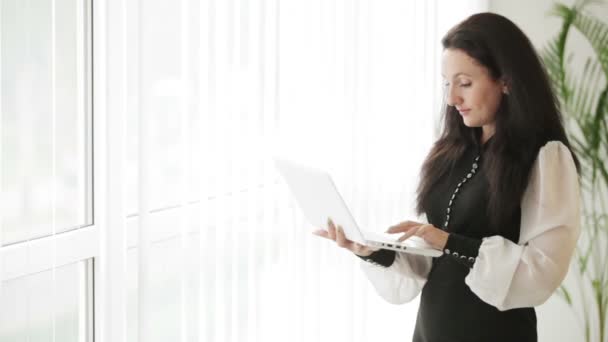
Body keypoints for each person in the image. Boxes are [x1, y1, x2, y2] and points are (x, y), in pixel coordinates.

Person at [313, 12, 581, 342]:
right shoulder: (453, 150)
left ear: (506, 80)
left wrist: (448, 240)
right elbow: (428, 262)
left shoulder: (545, 157)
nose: (452, 99)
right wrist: (369, 250)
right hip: (431, 330)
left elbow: (542, 271)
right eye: (447, 82)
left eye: (465, 83)